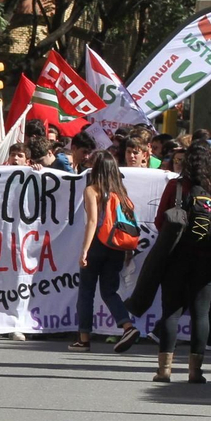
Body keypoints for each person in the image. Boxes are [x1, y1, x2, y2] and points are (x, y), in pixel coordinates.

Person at [149, 141, 211, 382]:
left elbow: (159, 222)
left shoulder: (176, 187)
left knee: (171, 313)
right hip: (207, 261)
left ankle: (164, 370)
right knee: (201, 314)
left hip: (176, 257)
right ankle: (196, 371)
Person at [70, 151, 141, 353]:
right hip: (117, 246)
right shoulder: (121, 192)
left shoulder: (93, 190)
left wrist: (84, 250)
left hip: (98, 245)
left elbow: (92, 222)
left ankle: (83, 339)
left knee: (86, 291)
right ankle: (127, 326)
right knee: (109, 291)